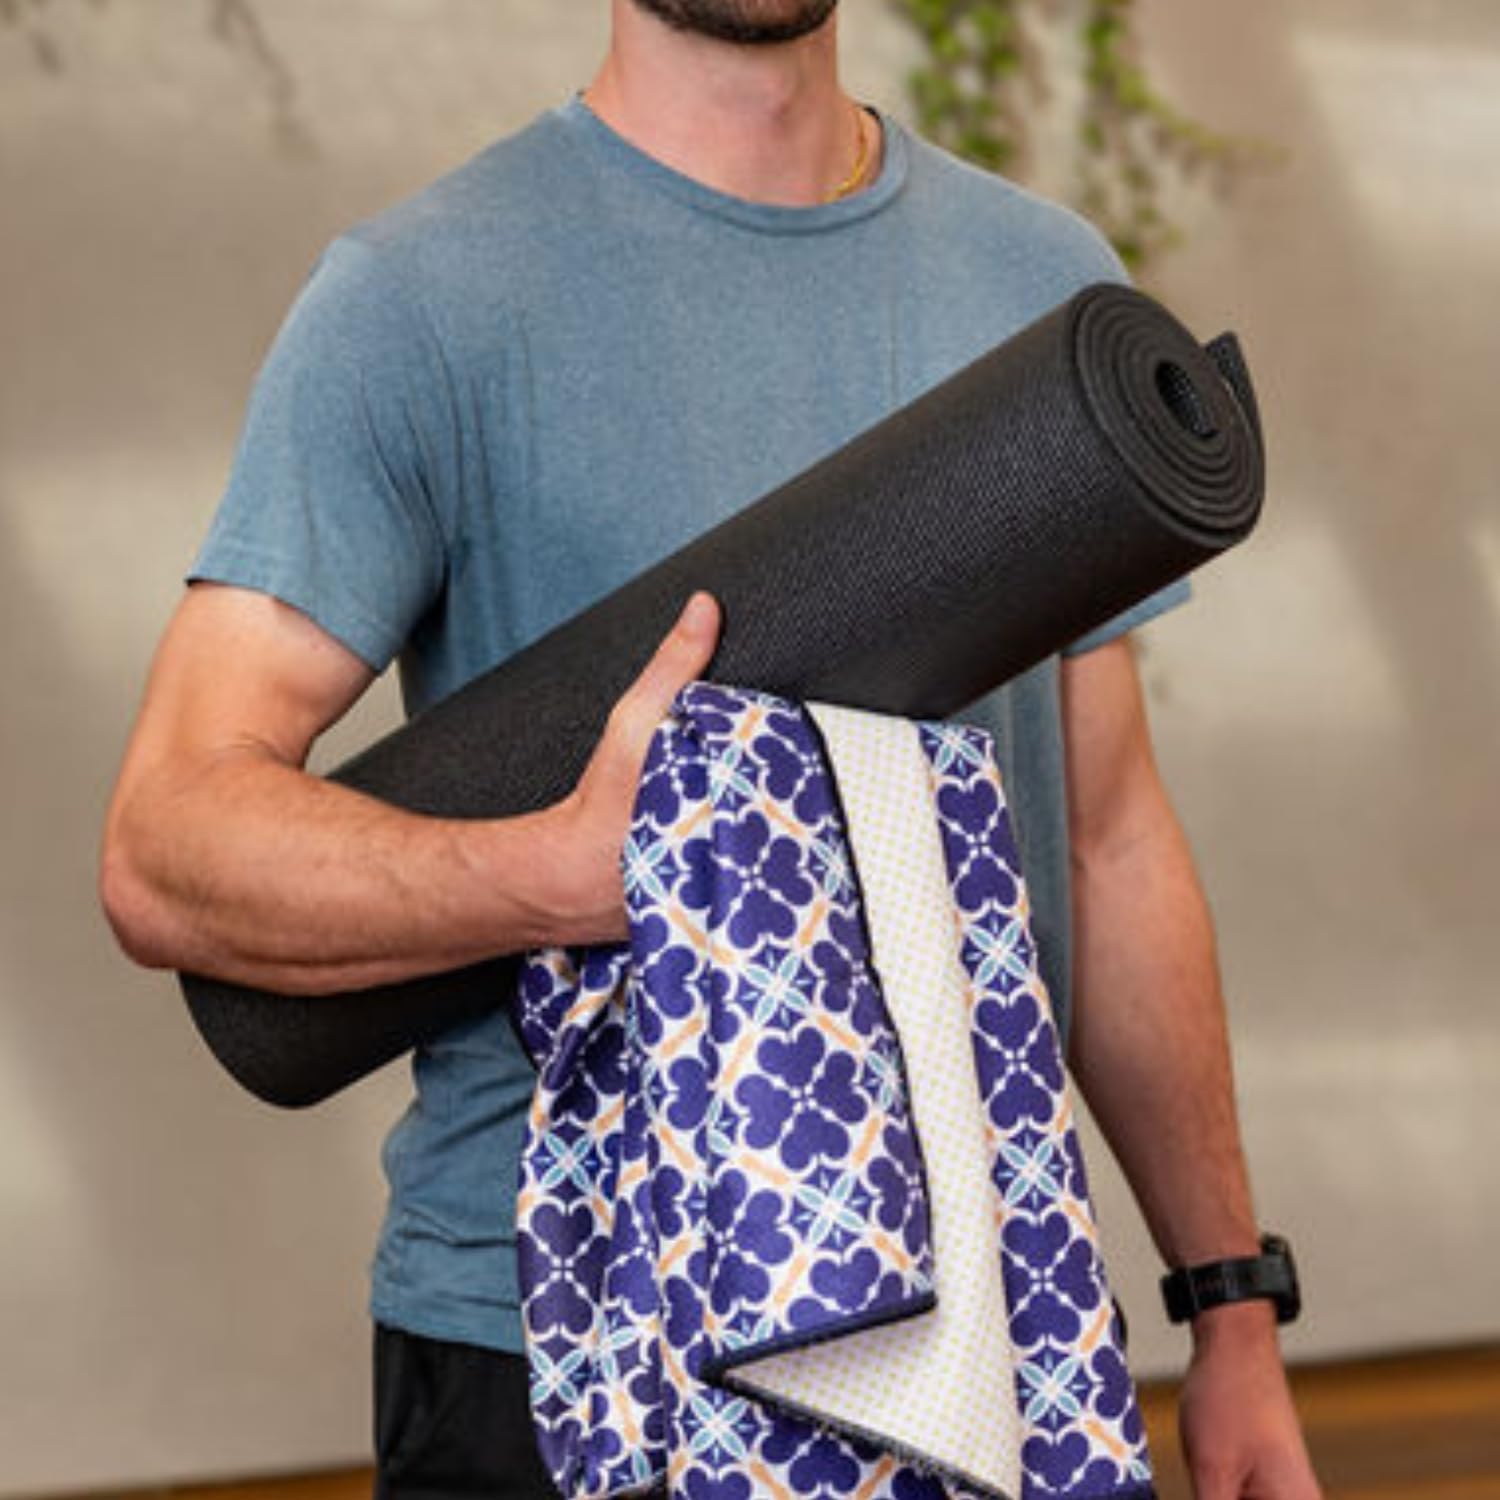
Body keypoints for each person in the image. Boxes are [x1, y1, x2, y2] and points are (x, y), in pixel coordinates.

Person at [101, 2, 1321, 1496]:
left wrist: (1232, 1309)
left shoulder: (1035, 286)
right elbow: (166, 848)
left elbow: (1106, 838)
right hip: (559, 1347)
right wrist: (558, 877)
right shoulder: (421, 300)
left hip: (982, 1335)